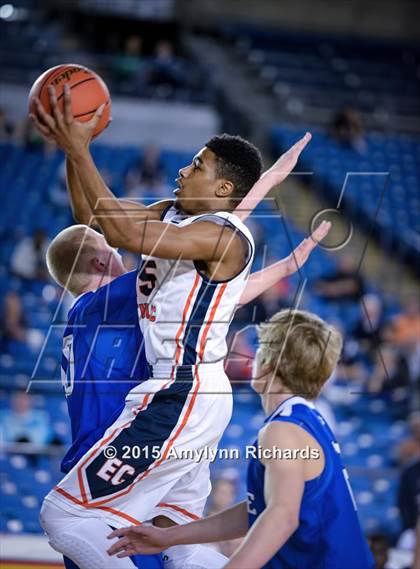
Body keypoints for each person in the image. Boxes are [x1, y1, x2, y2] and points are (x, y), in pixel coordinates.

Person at [31, 87, 327, 569]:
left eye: (197, 165)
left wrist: (79, 147)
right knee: (175, 535)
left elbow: (121, 235)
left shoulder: (222, 235)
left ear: (221, 190)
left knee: (62, 518)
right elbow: (96, 219)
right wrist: (72, 150)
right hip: (188, 395)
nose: (183, 170)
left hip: (181, 392)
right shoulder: (178, 215)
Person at [107, 309, 375, 569]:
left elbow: (281, 517)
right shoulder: (308, 420)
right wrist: (170, 537)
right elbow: (261, 509)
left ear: (267, 364)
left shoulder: (283, 430)